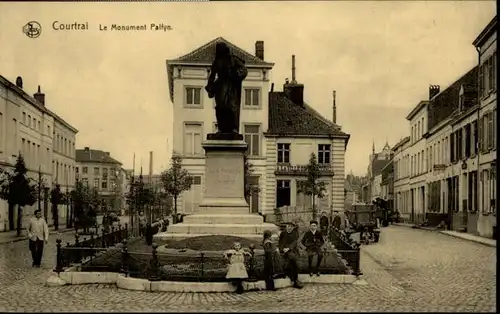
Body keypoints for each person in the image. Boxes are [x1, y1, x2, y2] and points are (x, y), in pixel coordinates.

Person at [205, 41, 248, 134]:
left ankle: (234, 128)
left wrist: (236, 75)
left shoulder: (233, 60)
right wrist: (210, 87)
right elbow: (212, 75)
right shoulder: (216, 62)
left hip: (231, 85)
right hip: (220, 86)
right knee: (220, 107)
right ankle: (221, 128)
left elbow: (244, 70)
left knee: (231, 107)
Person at [278, 222, 302, 289]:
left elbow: (294, 243)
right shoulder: (283, 233)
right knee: (292, 261)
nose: (289, 228)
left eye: (291, 227)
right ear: (286, 226)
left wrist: (288, 248)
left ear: (293, 228)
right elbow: (280, 242)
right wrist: (281, 249)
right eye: (288, 226)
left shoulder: (295, 234)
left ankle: (295, 280)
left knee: (294, 261)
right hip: (284, 250)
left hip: (292, 250)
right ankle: (295, 281)